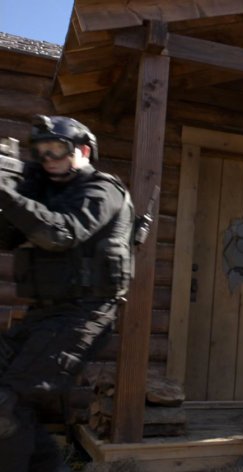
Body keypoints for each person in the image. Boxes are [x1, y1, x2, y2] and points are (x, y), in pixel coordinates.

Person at [0, 115, 135, 472]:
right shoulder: (44, 190)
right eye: (41, 152)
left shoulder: (102, 190)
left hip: (84, 315)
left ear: (83, 150)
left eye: (57, 150)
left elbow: (61, 234)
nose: (48, 159)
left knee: (5, 403)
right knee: (11, 403)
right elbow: (7, 237)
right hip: (44, 314)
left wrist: (6, 192)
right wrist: (12, 183)